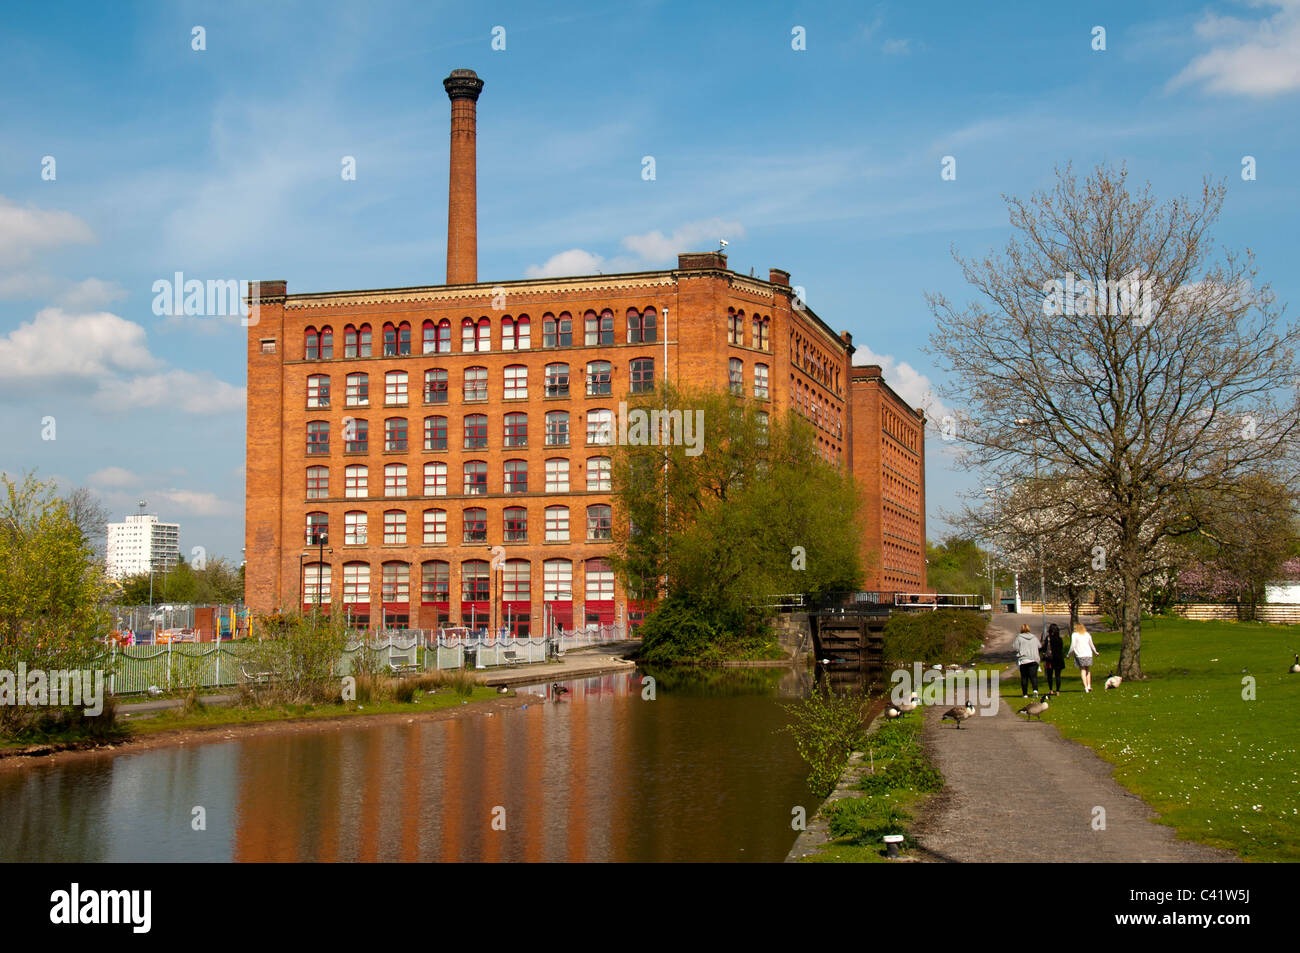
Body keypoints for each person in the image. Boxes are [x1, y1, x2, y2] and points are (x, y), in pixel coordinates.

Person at [1067, 622, 1100, 692]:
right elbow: (1091, 644)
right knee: (1087, 669)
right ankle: (1089, 685)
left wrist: (1069, 654)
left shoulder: (1075, 635)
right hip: (1088, 654)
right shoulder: (1087, 634)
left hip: (1080, 654)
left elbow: (1072, 646)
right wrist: (1095, 652)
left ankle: (1085, 687)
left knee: (1082, 670)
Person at [1012, 623, 1041, 697]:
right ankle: (1035, 690)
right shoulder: (1034, 637)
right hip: (1034, 659)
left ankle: (1025, 694)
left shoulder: (1019, 637)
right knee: (1033, 676)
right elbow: (1039, 646)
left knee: (1024, 677)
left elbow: (1015, 647)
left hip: (1024, 659)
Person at [1041, 623, 1065, 693]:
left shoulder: (1048, 639)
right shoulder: (1059, 639)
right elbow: (1061, 648)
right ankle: (1057, 690)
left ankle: (1051, 689)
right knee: (1058, 675)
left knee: (1050, 675)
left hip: (1050, 659)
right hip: (1058, 659)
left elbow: (1044, 648)